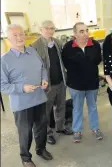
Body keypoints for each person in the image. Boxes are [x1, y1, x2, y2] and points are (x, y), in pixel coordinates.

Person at [1, 24, 53, 167]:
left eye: (21, 34)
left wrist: (45, 79)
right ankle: (26, 158)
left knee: (42, 127)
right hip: (22, 104)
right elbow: (3, 85)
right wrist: (22, 88)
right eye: (15, 35)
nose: (19, 37)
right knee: (25, 133)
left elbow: (42, 68)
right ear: (8, 39)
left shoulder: (32, 51)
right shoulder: (4, 60)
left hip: (39, 98)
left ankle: (41, 149)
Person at [31, 20, 72, 145]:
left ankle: (60, 127)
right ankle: (48, 133)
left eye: (52, 28)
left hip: (60, 81)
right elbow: (34, 68)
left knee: (61, 106)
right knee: (46, 111)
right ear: (41, 30)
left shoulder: (58, 43)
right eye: (46, 28)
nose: (49, 31)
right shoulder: (35, 46)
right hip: (47, 85)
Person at [62, 22, 103, 143]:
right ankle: (77, 130)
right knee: (77, 108)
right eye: (81, 31)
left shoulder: (94, 45)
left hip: (92, 84)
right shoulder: (68, 47)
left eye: (86, 31)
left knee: (93, 107)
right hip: (76, 85)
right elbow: (66, 65)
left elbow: (97, 61)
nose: (85, 34)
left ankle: (95, 129)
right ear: (74, 34)